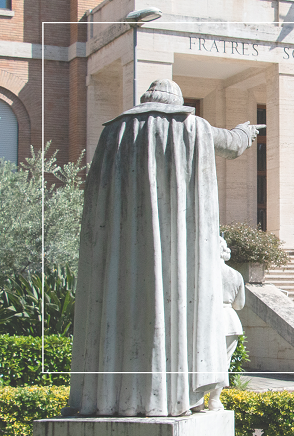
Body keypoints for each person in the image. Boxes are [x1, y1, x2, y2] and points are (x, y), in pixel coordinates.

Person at [67, 79, 260, 417]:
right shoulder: (190, 126)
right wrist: (246, 131)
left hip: (122, 245)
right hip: (176, 243)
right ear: (176, 102)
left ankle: (110, 398)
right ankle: (173, 396)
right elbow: (231, 143)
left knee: (120, 302)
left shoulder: (114, 132)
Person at [207, 236, 246, 412]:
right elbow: (239, 305)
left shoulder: (203, 271)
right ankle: (215, 399)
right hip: (229, 320)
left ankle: (198, 399)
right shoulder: (235, 275)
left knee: (201, 360)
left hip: (208, 318)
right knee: (224, 363)